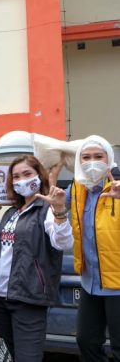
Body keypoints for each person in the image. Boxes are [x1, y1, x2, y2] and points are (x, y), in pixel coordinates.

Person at [0, 155, 73, 361]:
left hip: (28, 298)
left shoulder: (47, 210)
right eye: (16, 176)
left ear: (39, 176)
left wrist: (59, 211)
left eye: (27, 174)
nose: (21, 180)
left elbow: (64, 243)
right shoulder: (12, 212)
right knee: (7, 357)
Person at [65, 135, 120, 361]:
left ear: (110, 159)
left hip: (118, 284)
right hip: (90, 282)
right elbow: (54, 208)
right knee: (86, 341)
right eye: (86, 157)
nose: (92, 162)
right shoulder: (76, 189)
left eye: (99, 156)